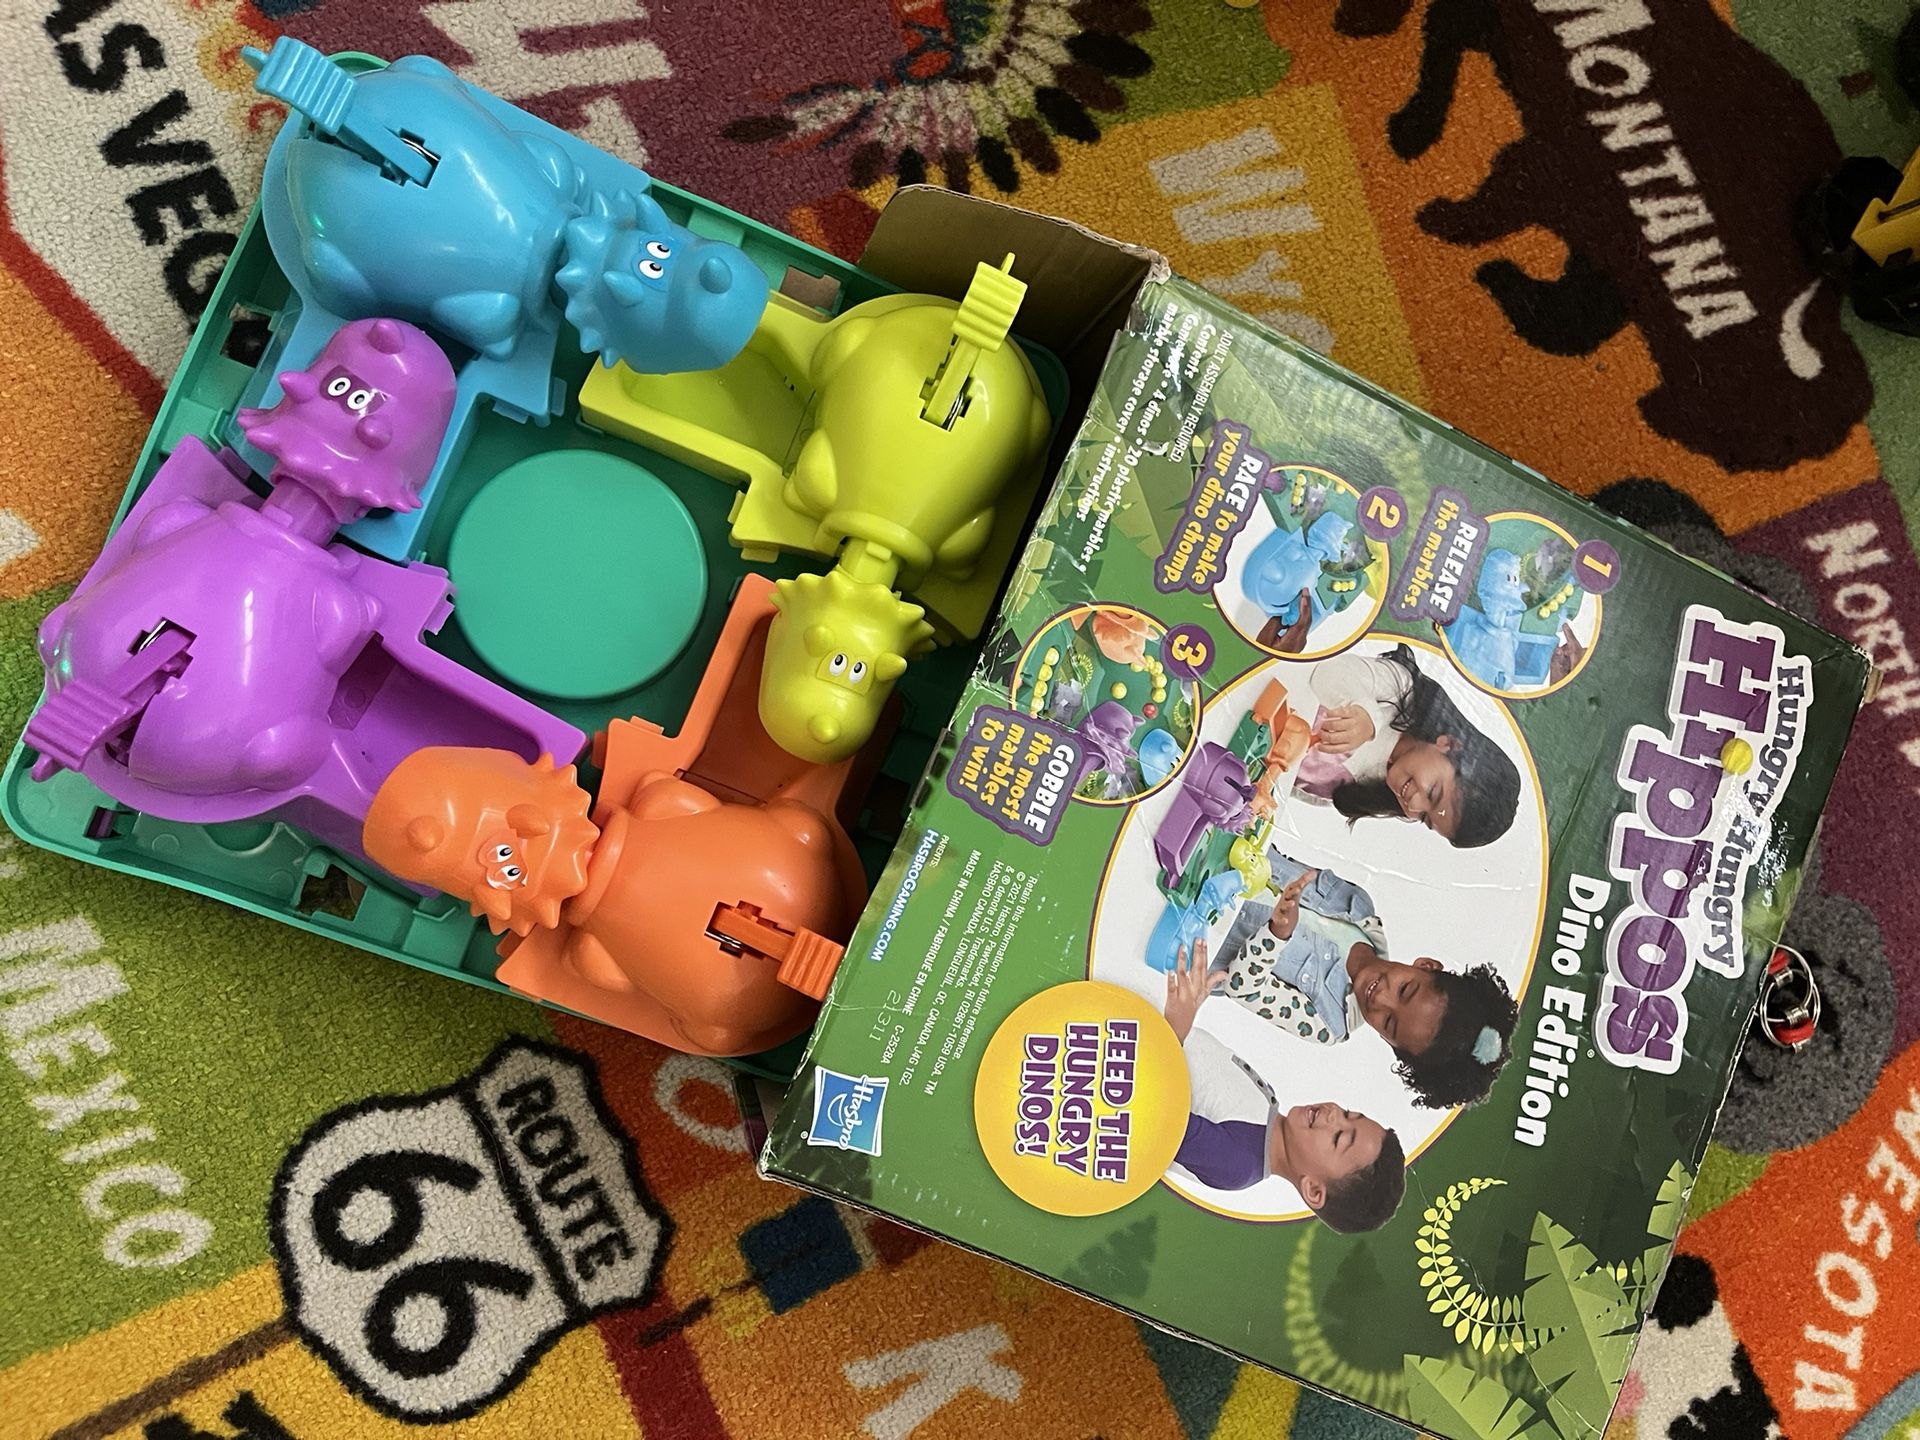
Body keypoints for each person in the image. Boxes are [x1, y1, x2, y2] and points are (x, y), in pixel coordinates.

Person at [1212, 854, 1519, 1110]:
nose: (1381, 999)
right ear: (1426, 965)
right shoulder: (1359, 907)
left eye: (1389, 1023)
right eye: (1405, 990)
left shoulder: (1328, 1023)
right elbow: (1278, 860)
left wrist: (1277, 934)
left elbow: (1241, 988)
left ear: (1389, 1043)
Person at [1162, 941, 1406, 1233]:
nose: (1333, 1114)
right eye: (1347, 1114)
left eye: (1338, 1137)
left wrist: (1174, 1029)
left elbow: (1143, 1115)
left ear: (1313, 1189)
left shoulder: (1237, 1164)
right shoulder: (1267, 1102)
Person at [1302, 643, 1521, 849]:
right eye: (1433, 793)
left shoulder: (1369, 790)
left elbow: (1296, 787)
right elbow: (1325, 671)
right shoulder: (1399, 690)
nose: (1414, 806)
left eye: (1424, 818)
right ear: (1449, 744)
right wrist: (1367, 716)